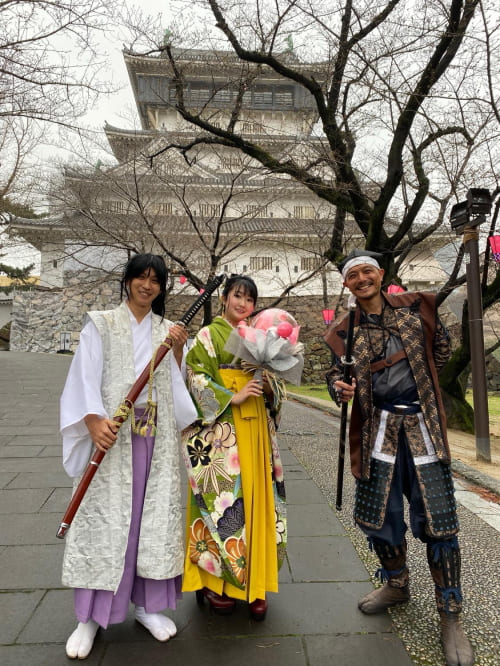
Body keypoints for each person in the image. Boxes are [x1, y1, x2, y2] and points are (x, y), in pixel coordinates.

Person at [324, 250, 474, 666]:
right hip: (378, 432)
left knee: (440, 521)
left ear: (380, 274)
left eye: (367, 271)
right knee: (379, 517)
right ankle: (396, 584)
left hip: (422, 427)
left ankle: (450, 614)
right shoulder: (343, 331)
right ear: (346, 284)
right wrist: (340, 388)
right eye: (353, 275)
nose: (361, 279)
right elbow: (335, 374)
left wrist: (422, 383)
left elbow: (441, 350)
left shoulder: (415, 308)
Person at [60, 253, 197, 659]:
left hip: (153, 436)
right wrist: (91, 421)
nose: (147, 285)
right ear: (128, 280)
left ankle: (147, 607)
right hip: (112, 434)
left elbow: (175, 384)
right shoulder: (101, 324)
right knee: (105, 523)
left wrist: (178, 351)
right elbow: (83, 377)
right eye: (141, 277)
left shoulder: (167, 330)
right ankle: (89, 616)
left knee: (148, 522)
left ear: (162, 288)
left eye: (155, 280)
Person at [181, 274, 287, 621]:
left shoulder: (258, 337)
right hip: (223, 431)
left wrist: (269, 386)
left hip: (256, 430)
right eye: (238, 296)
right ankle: (215, 583)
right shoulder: (208, 335)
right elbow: (195, 379)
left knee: (257, 501)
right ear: (224, 298)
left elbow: (277, 388)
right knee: (223, 503)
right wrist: (232, 395)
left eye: (250, 299)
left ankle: (256, 582)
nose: (243, 304)